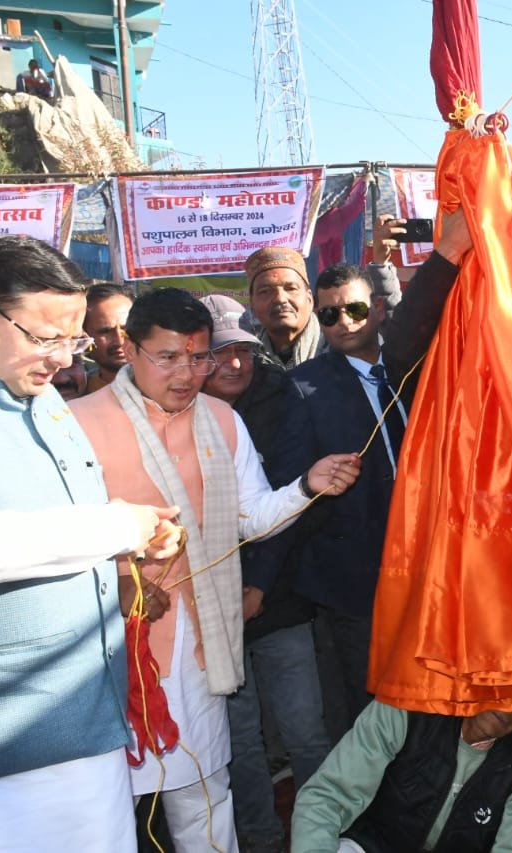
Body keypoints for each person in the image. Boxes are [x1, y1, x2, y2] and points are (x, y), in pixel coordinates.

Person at [70, 287, 360, 853]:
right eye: (168, 357)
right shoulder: (78, 422)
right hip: (112, 649)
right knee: (107, 805)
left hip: (201, 642)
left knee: (204, 791)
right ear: (129, 348)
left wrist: (307, 487)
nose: (187, 374)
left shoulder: (222, 420)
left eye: (198, 357)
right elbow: (56, 536)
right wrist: (119, 579)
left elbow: (250, 517)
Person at [0, 234, 181, 851]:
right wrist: (118, 527)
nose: (65, 360)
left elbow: (64, 523)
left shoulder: (42, 397)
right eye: (46, 338)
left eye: (73, 341)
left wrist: (129, 553)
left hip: (87, 712)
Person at [266, 212, 471, 740]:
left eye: (355, 308)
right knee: (371, 710)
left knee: (440, 697)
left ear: (377, 309)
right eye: (329, 314)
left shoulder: (419, 366)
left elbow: (427, 314)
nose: (344, 322)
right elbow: (290, 486)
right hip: (355, 585)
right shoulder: (303, 387)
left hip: (437, 565)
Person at [200, 294, 332, 853]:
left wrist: (257, 585)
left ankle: (321, 833)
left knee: (306, 730)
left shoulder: (285, 399)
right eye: (219, 353)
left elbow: (284, 502)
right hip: (212, 611)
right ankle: (259, 838)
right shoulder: (172, 416)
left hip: (278, 598)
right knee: (240, 741)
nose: (235, 364)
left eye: (244, 352)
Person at [292, 705, 512, 853]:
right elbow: (328, 796)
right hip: (370, 845)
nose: (511, 705)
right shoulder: (407, 709)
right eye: (506, 680)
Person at [246, 224, 401, 369]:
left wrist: (381, 266)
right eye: (265, 291)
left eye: (291, 288)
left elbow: (394, 329)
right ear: (252, 304)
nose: (280, 299)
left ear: (310, 299)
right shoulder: (244, 362)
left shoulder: (347, 341)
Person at [83, 282, 134, 393]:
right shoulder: (77, 394)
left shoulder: (168, 389)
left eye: (126, 328)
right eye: (105, 331)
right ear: (85, 336)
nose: (120, 341)